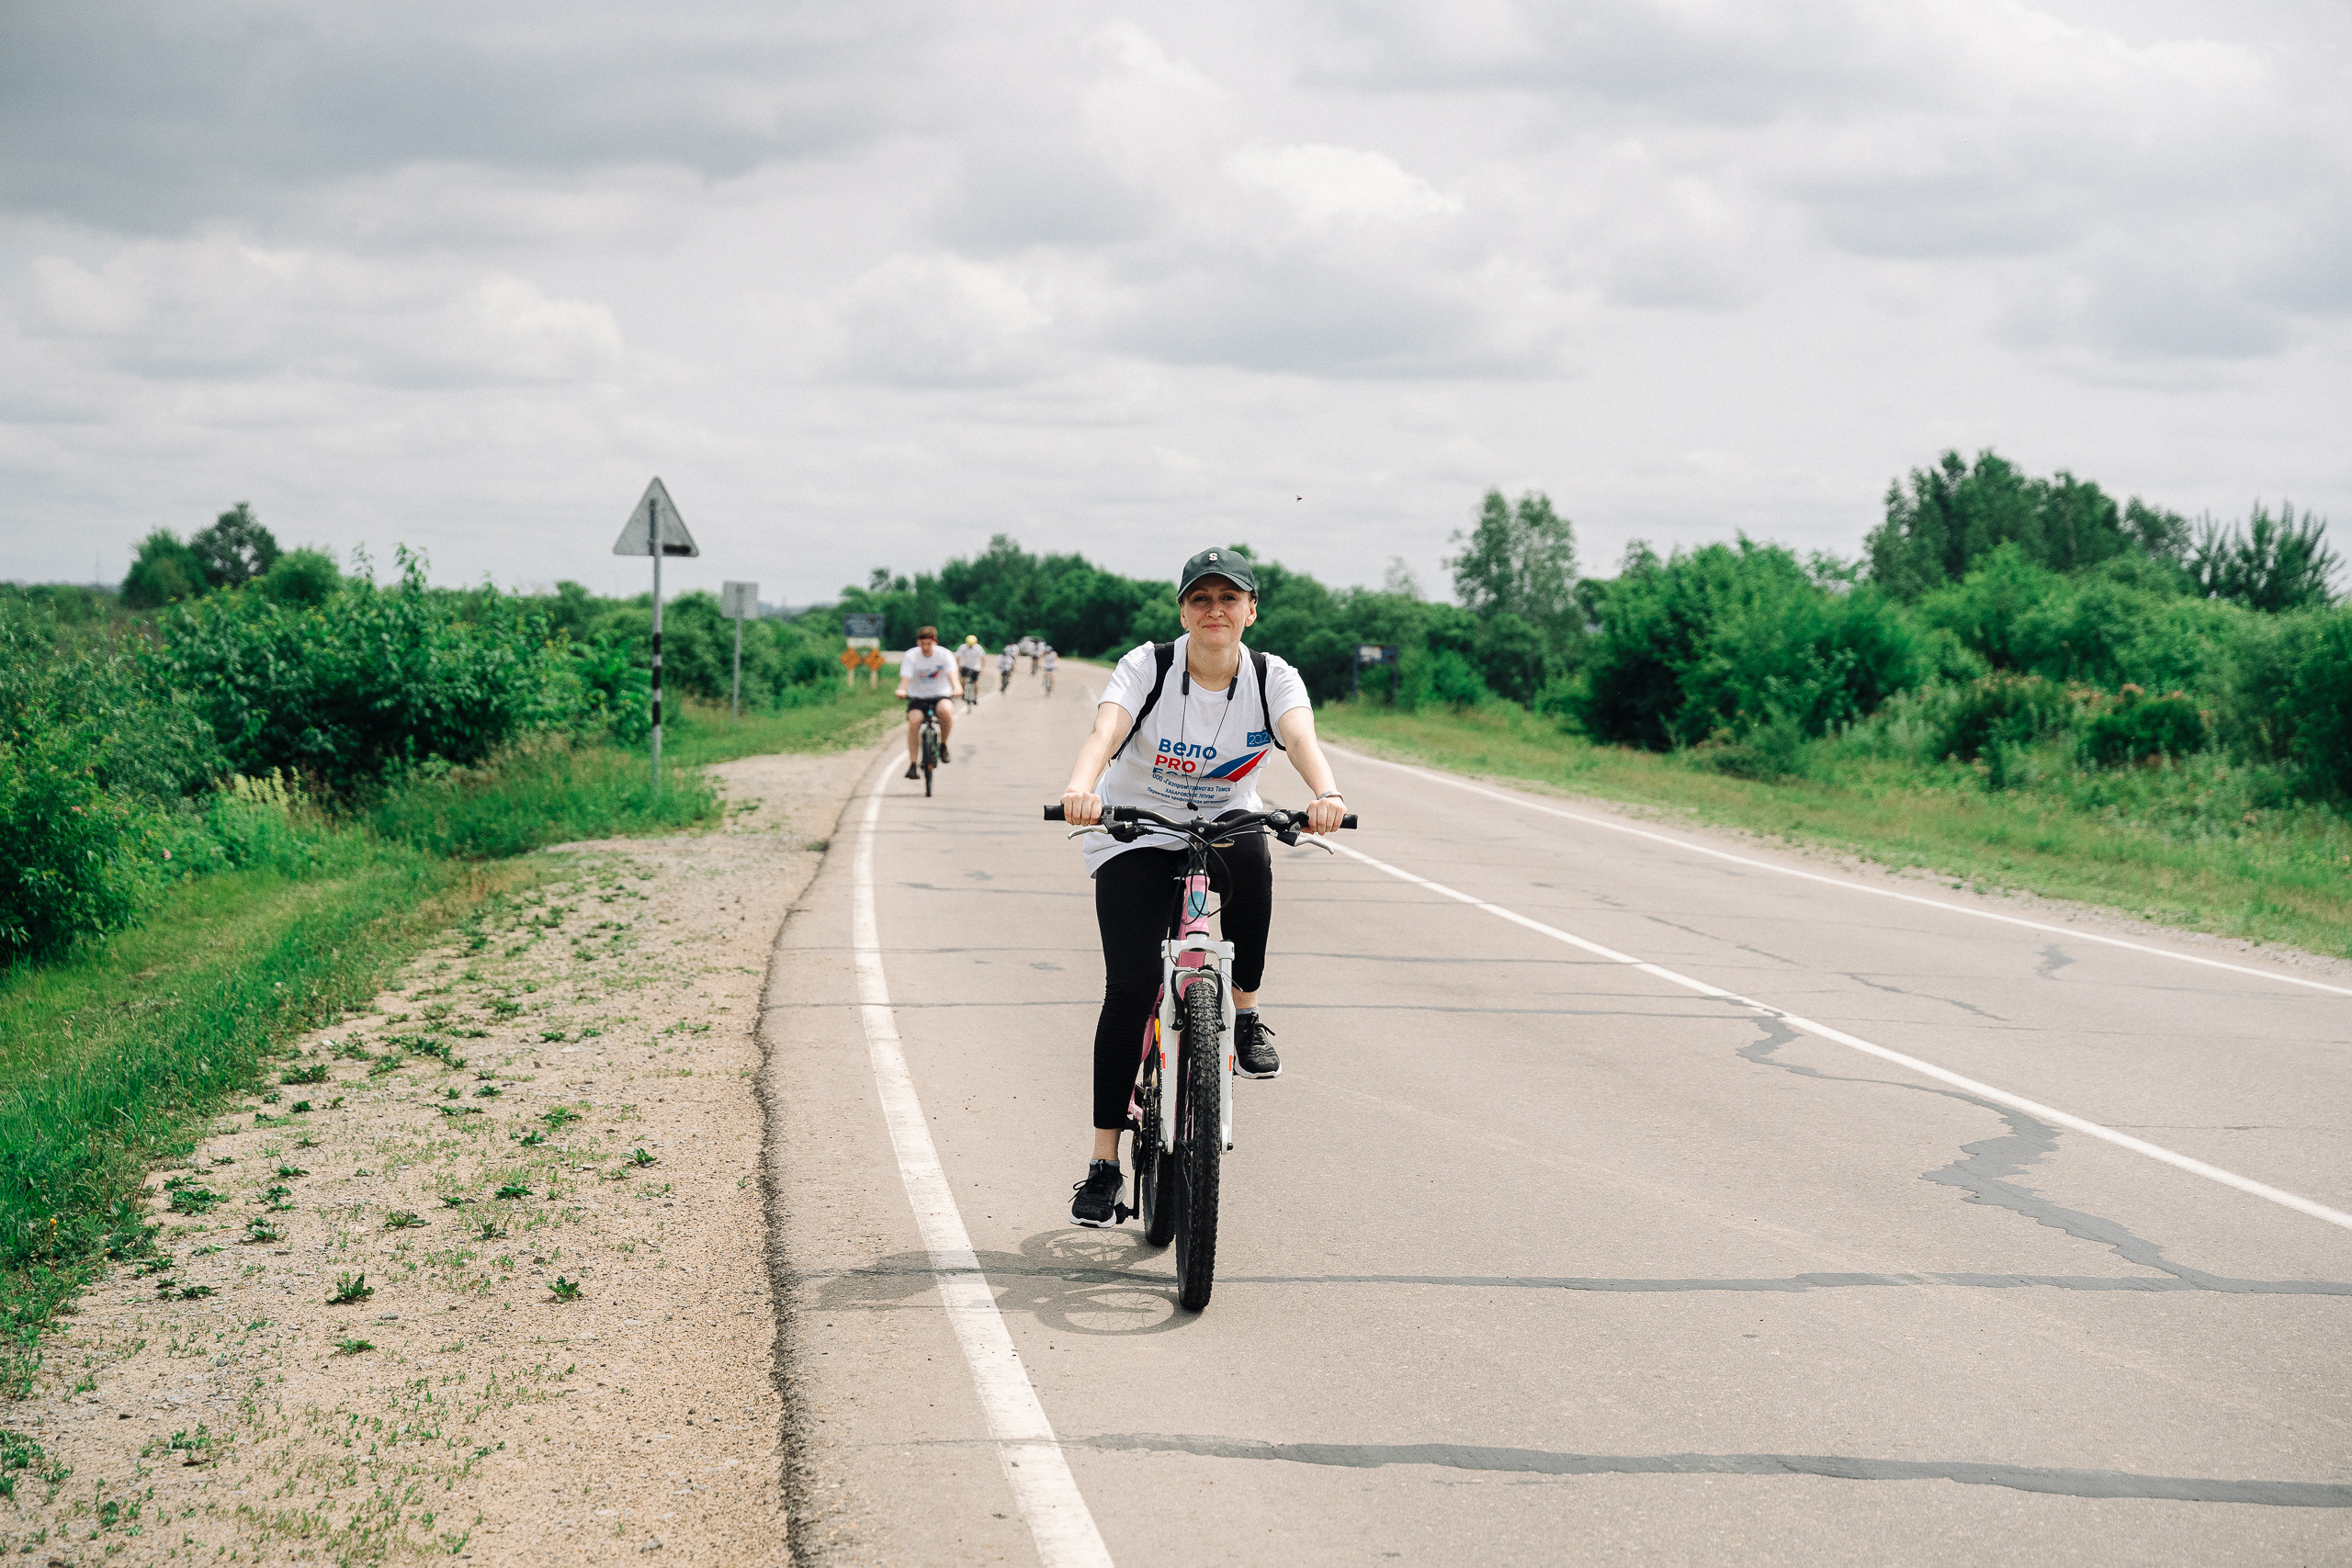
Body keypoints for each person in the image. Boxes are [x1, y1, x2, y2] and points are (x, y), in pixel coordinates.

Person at [1056, 548, 1347, 1227]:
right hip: (1137, 827)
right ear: (1184, 611)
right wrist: (1080, 787)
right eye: (1201, 598)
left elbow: (1300, 737)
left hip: (1224, 822)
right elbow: (1107, 729)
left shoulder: (1272, 676)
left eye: (1229, 598)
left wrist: (1326, 793)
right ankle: (1104, 1163)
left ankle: (1244, 1015)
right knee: (1130, 988)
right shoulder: (1148, 666)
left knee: (1255, 860)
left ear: (1251, 610)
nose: (1215, 609)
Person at [893, 626, 959, 778]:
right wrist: (902, 690)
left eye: (928, 644)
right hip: (918, 696)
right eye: (922, 644)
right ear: (918, 642)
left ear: (934, 642)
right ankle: (913, 764)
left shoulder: (944, 655)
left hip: (941, 694)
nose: (925, 647)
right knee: (914, 721)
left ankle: (943, 745)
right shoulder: (911, 656)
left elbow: (952, 675)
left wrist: (957, 688)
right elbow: (905, 678)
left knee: (946, 711)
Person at [956, 634, 986, 704]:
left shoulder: (978, 648)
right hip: (965, 666)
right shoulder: (962, 647)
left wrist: (982, 668)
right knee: (963, 680)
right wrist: (958, 667)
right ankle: (963, 693)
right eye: (969, 644)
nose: (970, 646)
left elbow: (983, 658)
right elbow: (958, 657)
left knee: (975, 682)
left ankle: (975, 697)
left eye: (972, 644)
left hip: (975, 667)